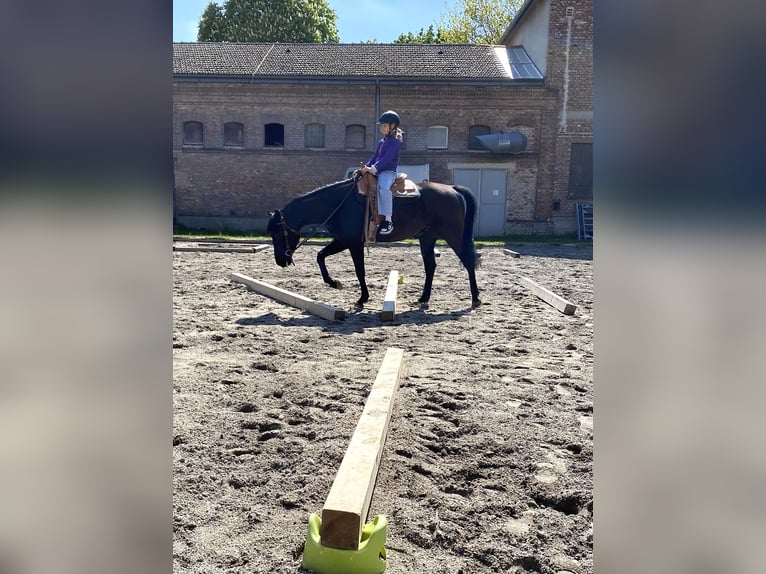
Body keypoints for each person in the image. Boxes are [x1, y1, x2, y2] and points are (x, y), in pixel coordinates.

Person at [360, 110, 403, 235]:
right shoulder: (381, 142)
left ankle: (388, 221)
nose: (382, 128)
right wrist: (365, 168)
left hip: (388, 172)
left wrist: (373, 168)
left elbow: (387, 159)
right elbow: (374, 158)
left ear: (392, 126)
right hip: (377, 171)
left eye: (384, 125)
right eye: (381, 126)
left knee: (384, 188)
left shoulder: (395, 141)